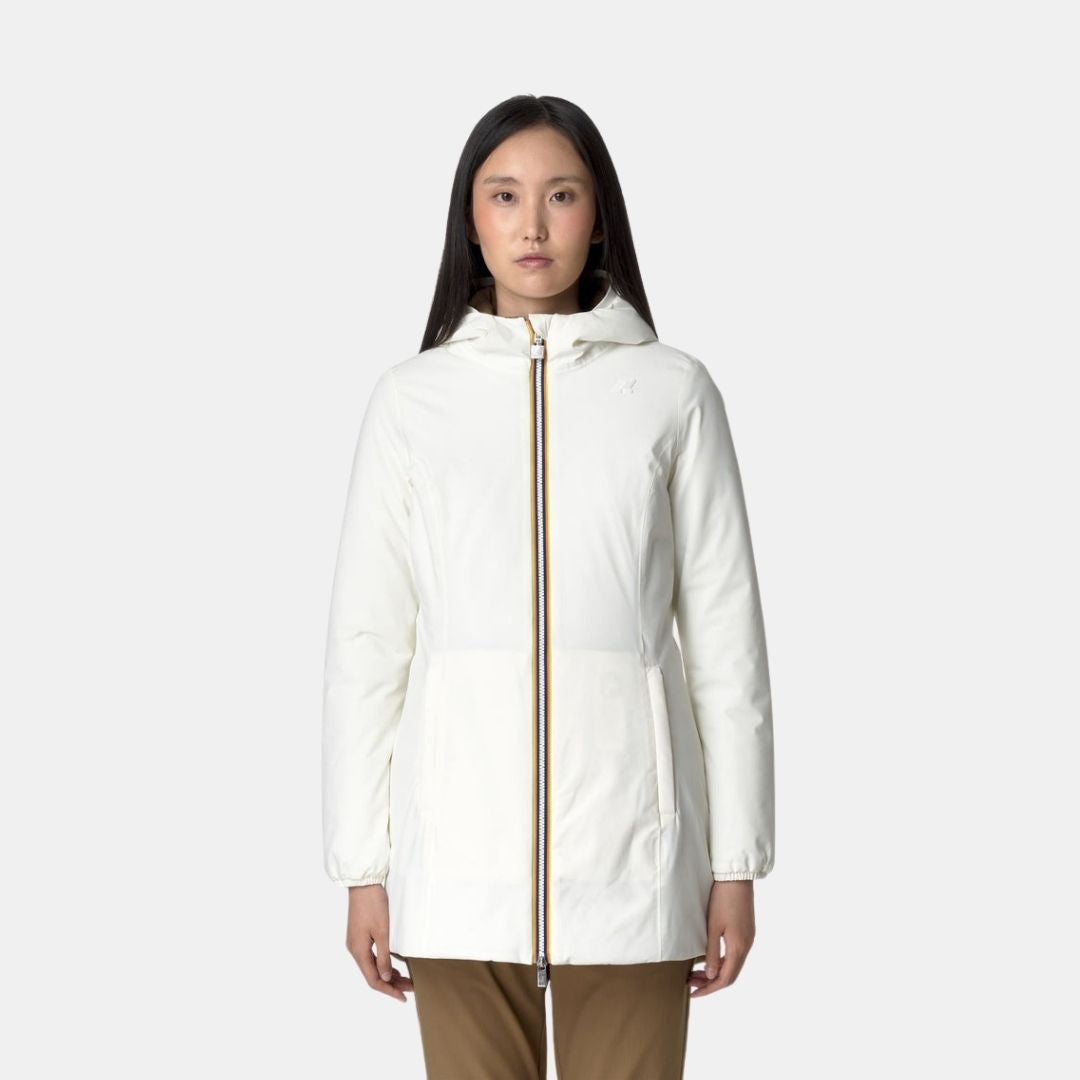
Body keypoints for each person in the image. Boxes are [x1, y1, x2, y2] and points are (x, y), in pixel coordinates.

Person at [322, 94, 775, 1080]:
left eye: (562, 195)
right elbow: (369, 648)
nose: (532, 225)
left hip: (637, 863)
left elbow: (726, 641)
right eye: (505, 196)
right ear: (470, 219)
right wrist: (364, 869)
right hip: (456, 868)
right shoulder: (411, 403)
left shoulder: (673, 392)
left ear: (599, 215)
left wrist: (735, 864)